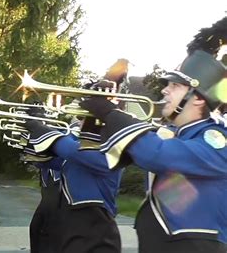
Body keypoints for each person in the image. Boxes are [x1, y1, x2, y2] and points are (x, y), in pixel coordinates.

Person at [80, 43, 227, 252]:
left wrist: (112, 114)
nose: (164, 90)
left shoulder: (217, 140)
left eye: (175, 86)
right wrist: (93, 122)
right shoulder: (177, 136)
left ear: (198, 99)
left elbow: (156, 155)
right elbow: (107, 156)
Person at [22, 116, 123, 253]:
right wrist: (30, 133)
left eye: (84, 118)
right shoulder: (79, 155)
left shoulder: (110, 153)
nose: (78, 122)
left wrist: (46, 132)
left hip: (96, 227)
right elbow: (42, 161)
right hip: (73, 224)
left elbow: (70, 150)